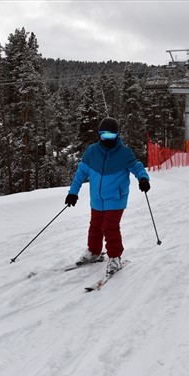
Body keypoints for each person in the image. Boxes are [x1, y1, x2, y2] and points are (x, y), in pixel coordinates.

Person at [65, 117, 150, 275]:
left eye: (111, 136)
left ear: (117, 135)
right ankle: (94, 251)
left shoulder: (124, 153)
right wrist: (72, 193)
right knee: (95, 225)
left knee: (110, 227)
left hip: (116, 198)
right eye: (104, 136)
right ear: (99, 135)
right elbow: (80, 173)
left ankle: (115, 257)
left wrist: (143, 178)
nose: (107, 140)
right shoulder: (91, 152)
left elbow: (137, 167)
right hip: (97, 199)